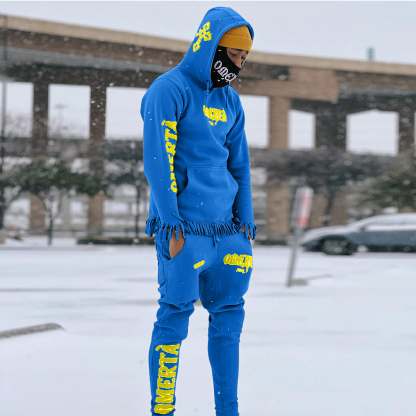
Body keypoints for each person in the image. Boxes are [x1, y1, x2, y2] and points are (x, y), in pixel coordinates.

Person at [140, 6, 256, 416]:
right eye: (234, 55)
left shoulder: (230, 100)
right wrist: (170, 222)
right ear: (210, 47)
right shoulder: (168, 89)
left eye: (244, 58)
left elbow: (239, 164)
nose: (238, 65)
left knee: (230, 323)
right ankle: (163, 411)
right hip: (184, 231)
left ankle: (229, 411)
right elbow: (159, 159)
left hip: (229, 234)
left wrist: (246, 219)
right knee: (174, 317)